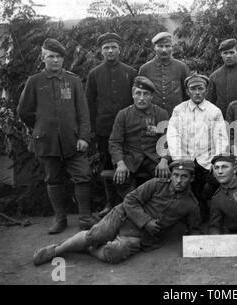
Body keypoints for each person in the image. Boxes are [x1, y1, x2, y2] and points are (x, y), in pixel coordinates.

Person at [32, 160, 201, 265]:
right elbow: (130, 200)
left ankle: (88, 249)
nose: (179, 180)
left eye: (184, 177)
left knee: (113, 254)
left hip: (140, 236)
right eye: (176, 175)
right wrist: (146, 221)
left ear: (191, 179)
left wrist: (196, 245)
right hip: (123, 217)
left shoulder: (191, 204)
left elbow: (194, 228)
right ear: (170, 175)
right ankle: (56, 250)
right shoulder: (156, 183)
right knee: (96, 235)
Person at [17, 38, 97, 234]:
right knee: (53, 179)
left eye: (58, 57)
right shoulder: (34, 82)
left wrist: (84, 138)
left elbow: (83, 113)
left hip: (73, 140)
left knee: (83, 175)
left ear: (63, 59)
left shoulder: (74, 81)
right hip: (47, 142)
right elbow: (23, 111)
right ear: (43, 58)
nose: (55, 60)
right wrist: (39, 127)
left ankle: (85, 218)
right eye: (50, 56)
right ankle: (60, 219)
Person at [85, 32, 137, 217]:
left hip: (128, 128)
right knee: (107, 164)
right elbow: (89, 103)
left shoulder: (130, 72)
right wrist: (91, 128)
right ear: (101, 51)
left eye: (113, 47)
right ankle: (110, 202)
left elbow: (137, 100)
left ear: (119, 49)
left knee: (129, 162)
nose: (110, 51)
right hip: (104, 129)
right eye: (106, 48)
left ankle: (128, 202)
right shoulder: (94, 74)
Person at [167, 74, 229, 220]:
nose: (197, 92)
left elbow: (220, 138)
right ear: (187, 91)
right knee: (182, 182)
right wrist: (179, 159)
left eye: (200, 88)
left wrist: (217, 161)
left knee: (210, 185)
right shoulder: (179, 110)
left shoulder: (214, 111)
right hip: (184, 158)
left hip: (207, 160)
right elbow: (173, 135)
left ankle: (207, 210)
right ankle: (189, 214)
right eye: (193, 89)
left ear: (206, 90)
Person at [108, 76, 171, 200]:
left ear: (152, 96)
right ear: (133, 94)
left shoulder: (161, 113)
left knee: (165, 180)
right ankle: (134, 206)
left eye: (146, 94)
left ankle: (153, 209)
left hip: (153, 158)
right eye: (138, 93)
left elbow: (166, 141)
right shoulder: (123, 114)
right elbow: (115, 142)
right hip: (130, 158)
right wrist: (120, 163)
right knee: (121, 181)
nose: (141, 98)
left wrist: (164, 160)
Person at [138, 32, 191, 115]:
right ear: (154, 48)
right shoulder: (145, 69)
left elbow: (188, 93)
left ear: (172, 47)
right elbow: (140, 95)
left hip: (176, 115)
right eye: (160, 46)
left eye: (167, 46)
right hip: (153, 115)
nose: (164, 50)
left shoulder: (181, 67)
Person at [207, 38, 237, 116]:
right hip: (222, 120)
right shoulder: (214, 76)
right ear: (221, 54)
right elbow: (210, 102)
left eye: (231, 52)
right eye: (225, 53)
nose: (228, 56)